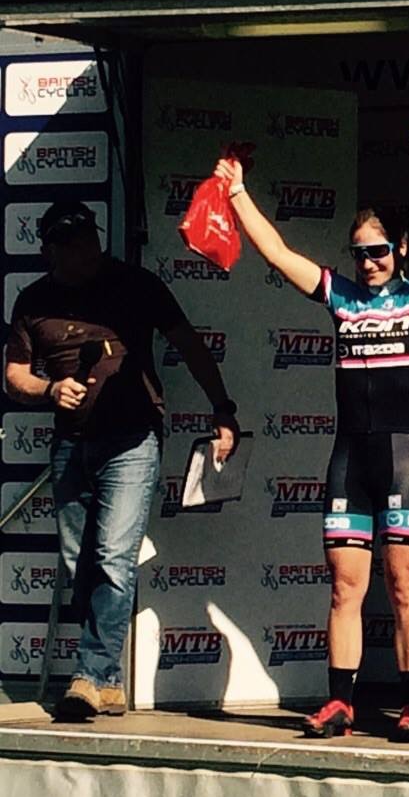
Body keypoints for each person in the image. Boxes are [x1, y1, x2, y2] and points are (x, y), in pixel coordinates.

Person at [212, 124, 409, 741]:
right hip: (350, 458)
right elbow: (278, 255)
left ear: (400, 248)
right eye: (360, 254)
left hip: (403, 455)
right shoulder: (341, 297)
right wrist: (237, 194)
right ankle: (340, 702)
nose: (369, 263)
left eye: (379, 252)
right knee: (346, 589)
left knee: (404, 586)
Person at [4, 200, 240, 721]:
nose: (85, 249)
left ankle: (89, 675)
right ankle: (108, 681)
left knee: (113, 556)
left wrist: (223, 407)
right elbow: (14, 375)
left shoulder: (136, 284)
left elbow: (190, 346)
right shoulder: (33, 300)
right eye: (71, 243)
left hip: (133, 440)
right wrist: (50, 390)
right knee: (80, 564)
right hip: (70, 443)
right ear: (50, 250)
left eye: (89, 237)